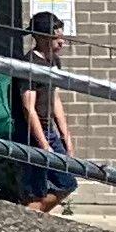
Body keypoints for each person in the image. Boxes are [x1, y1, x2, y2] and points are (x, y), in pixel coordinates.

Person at [10, 13, 81, 213]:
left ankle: (31, 217)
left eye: (62, 36)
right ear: (41, 38)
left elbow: (55, 100)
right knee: (44, 188)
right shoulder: (30, 64)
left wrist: (67, 138)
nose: (62, 41)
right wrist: (44, 146)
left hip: (49, 130)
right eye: (56, 38)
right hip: (32, 133)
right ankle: (25, 221)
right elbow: (28, 108)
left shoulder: (54, 62)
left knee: (66, 181)